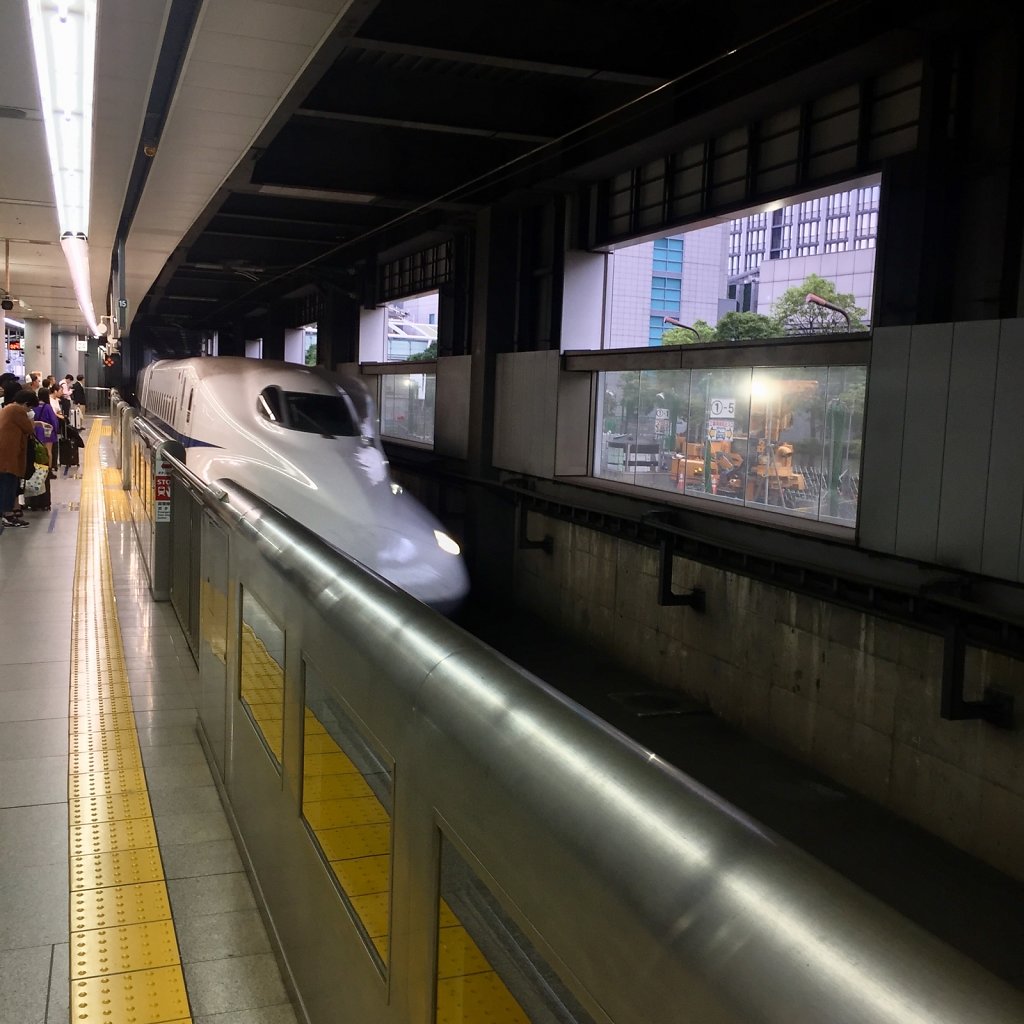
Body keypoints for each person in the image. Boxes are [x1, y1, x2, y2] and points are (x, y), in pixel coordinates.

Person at [0, 389, 39, 531]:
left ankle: (5, 513)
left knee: (5, 483)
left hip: (4, 455)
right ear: (26, 404)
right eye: (30, 407)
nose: (29, 410)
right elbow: (29, 428)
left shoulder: (8, 408)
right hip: (8, 456)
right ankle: (8, 515)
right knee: (8, 485)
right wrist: (31, 418)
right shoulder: (17, 410)